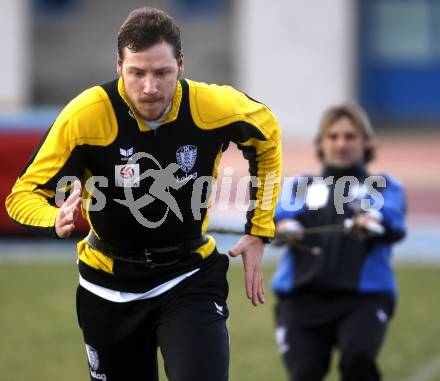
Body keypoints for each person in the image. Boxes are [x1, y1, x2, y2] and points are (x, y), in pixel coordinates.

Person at [5, 7, 281, 381]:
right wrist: (52, 218)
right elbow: (22, 195)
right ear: (119, 67)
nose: (150, 87)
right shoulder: (85, 116)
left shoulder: (212, 106)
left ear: (181, 66)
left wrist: (259, 229)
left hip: (188, 276)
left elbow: (267, 134)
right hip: (108, 287)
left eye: (162, 72)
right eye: (137, 72)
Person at [272, 103, 406, 381]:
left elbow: (391, 218)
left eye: (350, 136)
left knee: (358, 362)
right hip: (301, 299)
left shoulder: (384, 185)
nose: (341, 143)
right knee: (304, 373)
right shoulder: (300, 185)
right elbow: (280, 217)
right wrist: (286, 227)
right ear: (321, 143)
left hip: (364, 300)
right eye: (333, 136)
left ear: (366, 141)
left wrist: (372, 222)